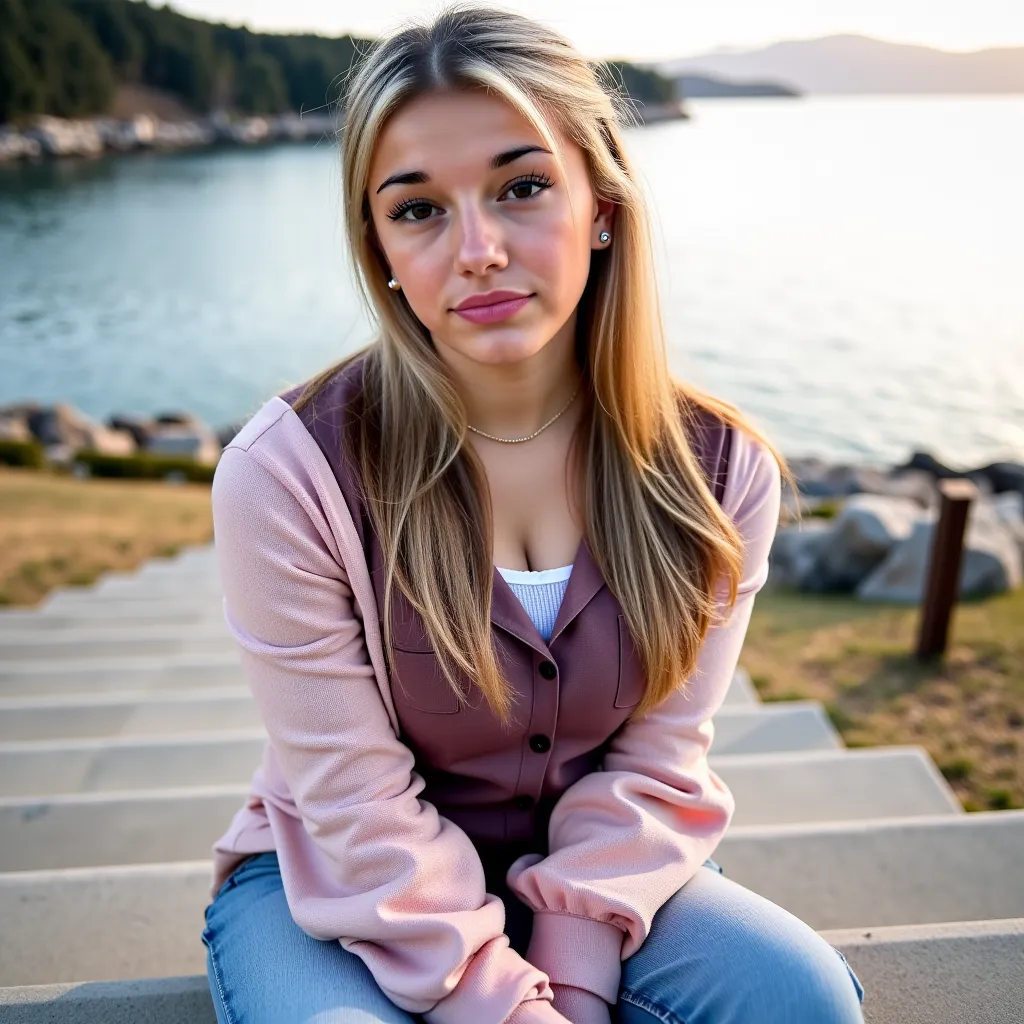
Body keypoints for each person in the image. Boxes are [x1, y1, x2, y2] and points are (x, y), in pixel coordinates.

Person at [201, 4, 866, 1022]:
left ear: (599, 205)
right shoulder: (288, 474)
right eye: (417, 208)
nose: (476, 248)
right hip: (337, 890)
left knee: (799, 996)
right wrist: (502, 1002)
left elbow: (657, 762)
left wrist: (580, 979)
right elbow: (351, 801)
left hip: (602, 877)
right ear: (376, 243)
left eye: (521, 188)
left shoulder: (719, 473)